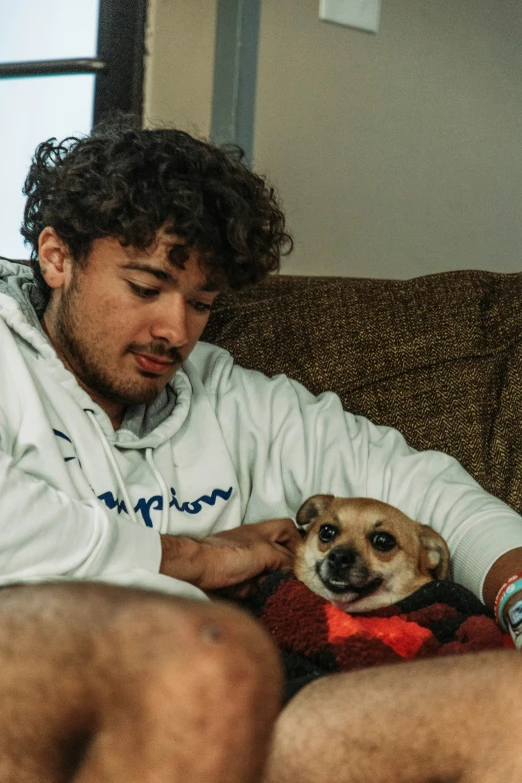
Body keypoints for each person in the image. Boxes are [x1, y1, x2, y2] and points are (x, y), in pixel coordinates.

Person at [1, 117, 522, 782]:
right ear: (57, 256)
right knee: (215, 658)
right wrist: (194, 557)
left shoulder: (230, 396)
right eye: (145, 287)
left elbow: (423, 488)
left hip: (237, 709)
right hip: (45, 687)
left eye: (200, 303)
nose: (174, 330)